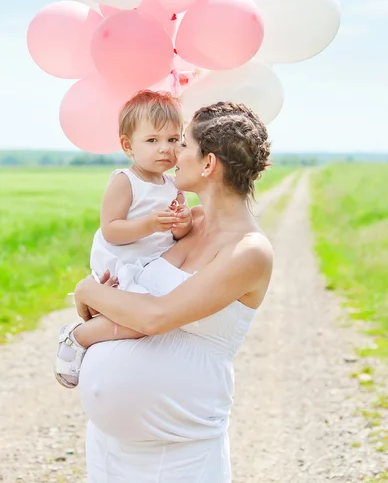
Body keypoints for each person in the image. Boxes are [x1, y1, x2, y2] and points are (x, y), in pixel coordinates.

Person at [74, 101, 274, 482]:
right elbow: (127, 298)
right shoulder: (187, 223)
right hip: (110, 450)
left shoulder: (249, 251)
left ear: (208, 164)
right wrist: (100, 300)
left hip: (181, 455)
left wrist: (85, 290)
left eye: (182, 143)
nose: (172, 153)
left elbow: (154, 316)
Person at [55, 90, 193, 388]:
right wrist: (149, 224)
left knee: (150, 321)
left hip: (150, 267)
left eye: (173, 139)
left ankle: (114, 361)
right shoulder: (126, 181)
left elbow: (176, 234)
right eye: (152, 140)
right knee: (141, 322)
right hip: (123, 264)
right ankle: (76, 336)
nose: (165, 149)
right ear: (128, 145)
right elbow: (111, 230)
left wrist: (181, 223)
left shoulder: (174, 185)